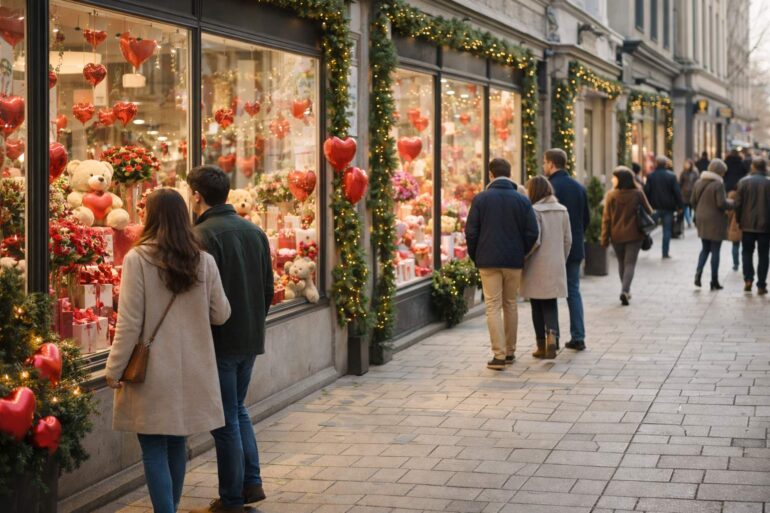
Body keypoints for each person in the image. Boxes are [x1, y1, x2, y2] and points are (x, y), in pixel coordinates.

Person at [105, 189, 231, 513]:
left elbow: (129, 323)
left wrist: (114, 369)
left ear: (150, 217)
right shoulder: (204, 261)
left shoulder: (138, 259)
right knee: (177, 441)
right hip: (192, 370)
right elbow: (222, 313)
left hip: (153, 373)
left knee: (152, 446)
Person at [187, 166, 274, 513]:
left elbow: (200, 297)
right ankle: (251, 483)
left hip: (219, 339)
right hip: (250, 336)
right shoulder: (255, 232)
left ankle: (232, 498)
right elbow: (268, 289)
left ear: (197, 196)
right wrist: (254, 322)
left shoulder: (202, 235)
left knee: (224, 420)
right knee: (237, 411)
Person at [466, 158, 539, 370]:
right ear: (510, 173)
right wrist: (521, 251)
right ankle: (510, 352)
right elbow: (533, 232)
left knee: (492, 306)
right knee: (510, 304)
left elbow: (471, 232)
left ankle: (498, 355)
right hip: (513, 261)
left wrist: (476, 255)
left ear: (490, 175)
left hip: (488, 261)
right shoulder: (522, 200)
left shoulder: (481, 199)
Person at [520, 176, 571, 359]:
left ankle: (541, 345)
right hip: (555, 264)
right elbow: (568, 240)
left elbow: (534, 239)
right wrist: (560, 259)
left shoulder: (533, 211)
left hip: (536, 264)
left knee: (536, 304)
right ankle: (552, 335)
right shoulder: (562, 210)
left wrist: (524, 257)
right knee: (551, 302)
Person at [544, 148, 589, 351]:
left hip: (553, 249)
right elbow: (585, 218)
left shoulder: (549, 188)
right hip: (576, 247)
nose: (544, 166)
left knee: (550, 291)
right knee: (573, 291)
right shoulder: (579, 187)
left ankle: (553, 337)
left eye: (545, 163)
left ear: (552, 164)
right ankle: (578, 336)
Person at [601, 167, 653, 305]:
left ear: (620, 180)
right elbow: (649, 210)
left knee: (621, 262)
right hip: (634, 235)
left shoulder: (611, 196)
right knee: (630, 264)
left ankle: (625, 290)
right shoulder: (637, 193)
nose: (612, 180)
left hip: (616, 235)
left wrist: (604, 239)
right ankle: (625, 290)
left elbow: (606, 219)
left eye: (614, 177)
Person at [691, 159, 731, 290]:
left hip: (701, 219)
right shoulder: (718, 184)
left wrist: (699, 211)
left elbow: (692, 201)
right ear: (720, 171)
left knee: (705, 248)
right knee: (715, 250)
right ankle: (714, 281)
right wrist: (732, 203)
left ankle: (698, 274)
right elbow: (721, 204)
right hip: (715, 220)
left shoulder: (698, 182)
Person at [734, 157, 770, 295]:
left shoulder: (743, 182)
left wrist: (738, 220)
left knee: (747, 252)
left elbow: (738, 204)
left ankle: (748, 280)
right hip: (766, 226)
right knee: (763, 255)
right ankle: (761, 284)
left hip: (747, 224)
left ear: (753, 167)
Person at [644, 155, 684, 259]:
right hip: (668, 208)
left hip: (655, 207)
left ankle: (644, 244)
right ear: (666, 164)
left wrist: (646, 206)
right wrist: (680, 206)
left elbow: (646, 192)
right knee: (667, 230)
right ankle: (665, 253)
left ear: (656, 164)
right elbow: (677, 193)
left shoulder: (651, 176)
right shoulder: (671, 176)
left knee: (648, 227)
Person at [679, 159, 699, 228]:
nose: (686, 165)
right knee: (684, 207)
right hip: (684, 193)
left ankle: (694, 220)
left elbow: (697, 182)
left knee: (693, 206)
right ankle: (689, 221)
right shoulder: (683, 173)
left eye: (688, 164)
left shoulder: (695, 172)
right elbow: (680, 183)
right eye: (686, 164)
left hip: (693, 192)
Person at [727, 190, 742, 271]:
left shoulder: (730, 204)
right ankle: (745, 262)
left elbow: (727, 216)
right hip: (744, 226)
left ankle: (736, 264)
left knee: (735, 246)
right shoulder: (744, 200)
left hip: (734, 228)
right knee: (746, 248)